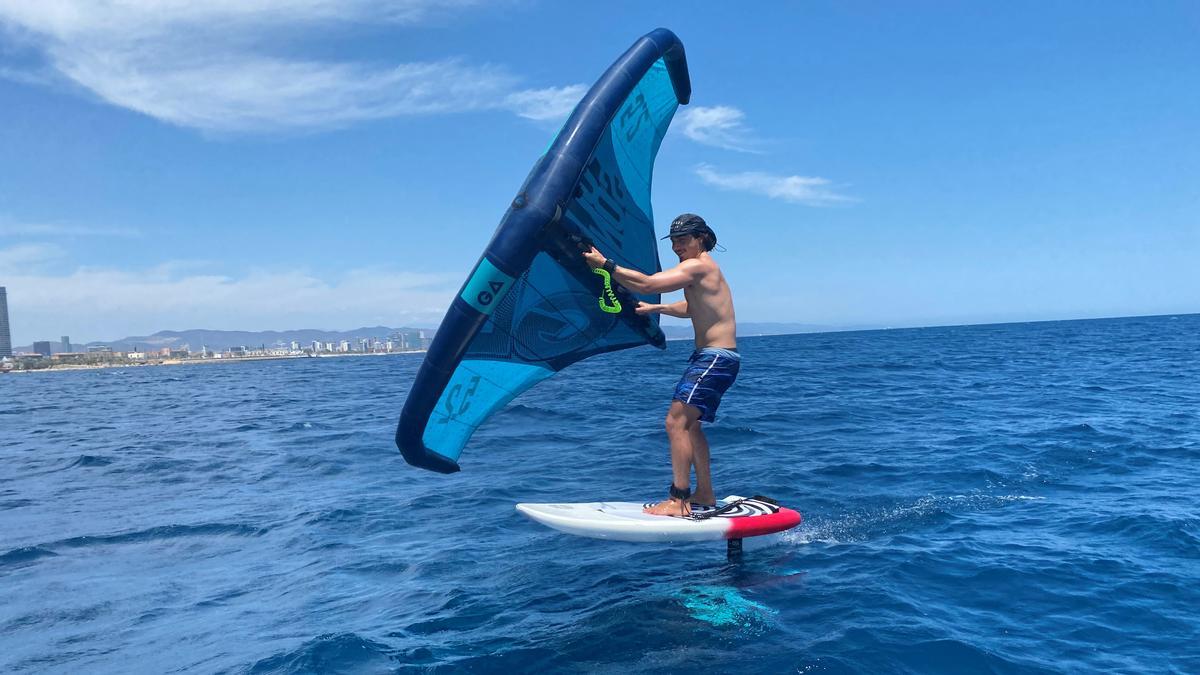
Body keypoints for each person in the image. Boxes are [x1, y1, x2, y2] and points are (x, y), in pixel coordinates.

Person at [582, 213, 739, 517]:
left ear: (701, 238)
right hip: (718, 358)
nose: (678, 246)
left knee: (674, 423)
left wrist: (606, 265)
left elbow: (649, 283)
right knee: (691, 426)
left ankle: (678, 500)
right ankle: (704, 492)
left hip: (714, 358)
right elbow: (693, 307)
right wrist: (658, 308)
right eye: (675, 242)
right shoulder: (705, 271)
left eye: (684, 240)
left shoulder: (697, 265)